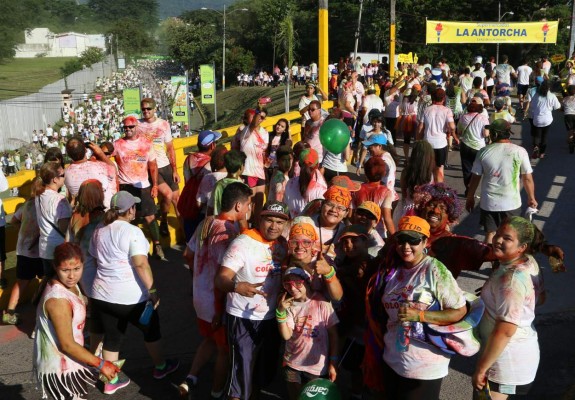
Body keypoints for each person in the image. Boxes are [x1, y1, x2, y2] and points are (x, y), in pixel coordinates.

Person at [89, 191, 179, 393]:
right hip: (131, 297)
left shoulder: (99, 229)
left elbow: (95, 260)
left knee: (112, 337)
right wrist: (153, 289)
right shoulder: (133, 232)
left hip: (102, 294)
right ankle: (161, 367)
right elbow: (140, 263)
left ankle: (109, 381)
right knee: (151, 330)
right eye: (134, 207)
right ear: (130, 210)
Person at [178, 182, 253, 399]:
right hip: (215, 302)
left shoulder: (206, 222)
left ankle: (190, 378)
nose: (249, 209)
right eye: (247, 204)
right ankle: (217, 392)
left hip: (200, 298)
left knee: (209, 340)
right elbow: (222, 277)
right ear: (238, 206)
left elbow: (187, 256)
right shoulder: (227, 233)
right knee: (224, 350)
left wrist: (199, 279)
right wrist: (219, 310)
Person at [381, 216, 467, 400]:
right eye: (401, 240)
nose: (406, 246)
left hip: (424, 366)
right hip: (392, 359)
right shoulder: (392, 270)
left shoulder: (435, 270)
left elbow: (459, 311)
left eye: (413, 240)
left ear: (425, 242)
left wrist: (420, 315)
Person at [215, 201, 290, 400]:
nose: (274, 226)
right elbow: (221, 278)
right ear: (259, 219)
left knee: (260, 375)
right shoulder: (243, 243)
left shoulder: (282, 245)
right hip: (243, 318)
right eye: (269, 220)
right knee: (240, 377)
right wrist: (236, 286)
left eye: (279, 222)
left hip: (272, 318)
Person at [33, 242, 121, 399]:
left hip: (70, 364)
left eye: (77, 269)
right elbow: (67, 344)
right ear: (55, 266)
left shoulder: (70, 285)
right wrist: (101, 364)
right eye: (65, 270)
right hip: (61, 370)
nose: (72, 276)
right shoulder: (58, 300)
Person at [473, 217, 543, 399]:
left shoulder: (511, 280)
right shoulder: (529, 262)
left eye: (507, 238)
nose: (497, 240)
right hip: (518, 355)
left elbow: (505, 330)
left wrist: (481, 369)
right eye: (497, 234)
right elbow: (540, 297)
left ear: (522, 247)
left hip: (505, 364)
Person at [466, 119, 538, 244]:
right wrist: (531, 198)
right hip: (511, 203)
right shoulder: (519, 152)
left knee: (491, 234)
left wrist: (470, 197)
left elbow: (475, 177)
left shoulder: (483, 152)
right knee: (510, 235)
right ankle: (506, 262)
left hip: (489, 202)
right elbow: (527, 178)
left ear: (494, 134)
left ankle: (491, 260)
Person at [277, 267, 339, 400]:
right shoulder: (289, 305)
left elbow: (333, 335)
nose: (292, 288)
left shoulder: (321, 303)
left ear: (307, 282)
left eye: (297, 283)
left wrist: (333, 363)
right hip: (292, 363)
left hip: (316, 367)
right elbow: (286, 335)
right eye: (287, 284)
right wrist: (280, 312)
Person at [113, 116, 164, 260]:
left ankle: (157, 245)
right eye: (125, 128)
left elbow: (152, 166)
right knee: (129, 219)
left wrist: (154, 185)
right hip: (125, 186)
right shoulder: (117, 144)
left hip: (143, 185)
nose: (128, 130)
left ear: (137, 127)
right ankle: (137, 250)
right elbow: (106, 156)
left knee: (150, 217)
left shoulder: (146, 144)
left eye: (131, 127)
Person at [138, 98, 181, 237]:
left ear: (154, 109)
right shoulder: (137, 125)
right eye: (143, 109)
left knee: (176, 198)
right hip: (151, 167)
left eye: (148, 109)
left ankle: (184, 233)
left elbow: (170, 147)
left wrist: (174, 169)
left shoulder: (163, 124)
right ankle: (163, 220)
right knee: (167, 194)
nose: (146, 111)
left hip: (165, 165)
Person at [3, 178, 43, 324]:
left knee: (22, 282)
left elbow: (13, 221)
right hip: (39, 250)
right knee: (46, 280)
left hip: (23, 249)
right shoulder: (45, 204)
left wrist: (24, 229)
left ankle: (9, 312)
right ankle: (41, 309)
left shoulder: (26, 205)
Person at [36, 162, 72, 276]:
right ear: (55, 179)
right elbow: (64, 228)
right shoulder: (59, 200)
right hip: (59, 249)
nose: (64, 177)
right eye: (62, 175)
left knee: (49, 285)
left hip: (44, 248)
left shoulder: (39, 195)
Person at [64, 137, 117, 209]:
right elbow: (113, 169)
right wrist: (100, 153)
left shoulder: (66, 172)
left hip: (83, 212)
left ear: (68, 154)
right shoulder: (99, 166)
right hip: (103, 211)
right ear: (85, 150)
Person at [417, 88, 456, 183]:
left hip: (427, 143)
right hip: (440, 143)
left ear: (432, 97)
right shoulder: (447, 110)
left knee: (427, 167)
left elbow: (420, 128)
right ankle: (439, 190)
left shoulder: (427, 110)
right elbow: (452, 126)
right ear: (443, 98)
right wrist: (452, 133)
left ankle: (428, 189)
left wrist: (418, 141)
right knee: (439, 168)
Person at [239, 108, 269, 224]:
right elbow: (253, 124)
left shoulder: (265, 133)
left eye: (262, 117)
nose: (258, 119)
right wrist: (259, 110)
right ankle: (246, 228)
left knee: (259, 201)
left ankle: (256, 227)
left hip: (260, 171)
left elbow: (264, 151)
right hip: (248, 171)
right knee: (249, 203)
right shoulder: (245, 130)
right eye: (256, 116)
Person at [354, 157, 395, 238]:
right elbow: (387, 218)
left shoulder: (357, 188)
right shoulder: (385, 192)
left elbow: (350, 214)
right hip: (378, 233)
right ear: (383, 173)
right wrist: (395, 237)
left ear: (365, 172)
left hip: (358, 230)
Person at [457, 96, 490, 194]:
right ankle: (473, 189)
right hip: (478, 147)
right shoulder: (483, 118)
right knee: (477, 169)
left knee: (466, 169)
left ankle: (468, 188)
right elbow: (486, 134)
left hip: (465, 146)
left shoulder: (463, 117)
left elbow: (459, 131)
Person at [284, 149, 327, 218]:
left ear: (299, 164)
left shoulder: (290, 183)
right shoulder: (321, 189)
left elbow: (286, 209)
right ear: (317, 165)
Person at [529, 79, 561, 159]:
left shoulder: (536, 95)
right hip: (547, 119)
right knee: (544, 136)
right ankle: (542, 154)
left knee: (537, 135)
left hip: (537, 119)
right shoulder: (552, 96)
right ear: (549, 87)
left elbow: (532, 106)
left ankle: (536, 146)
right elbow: (558, 107)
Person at [563, 85, 575, 154]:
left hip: (568, 115)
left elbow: (562, 107)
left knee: (570, 130)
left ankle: (570, 142)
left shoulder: (565, 99)